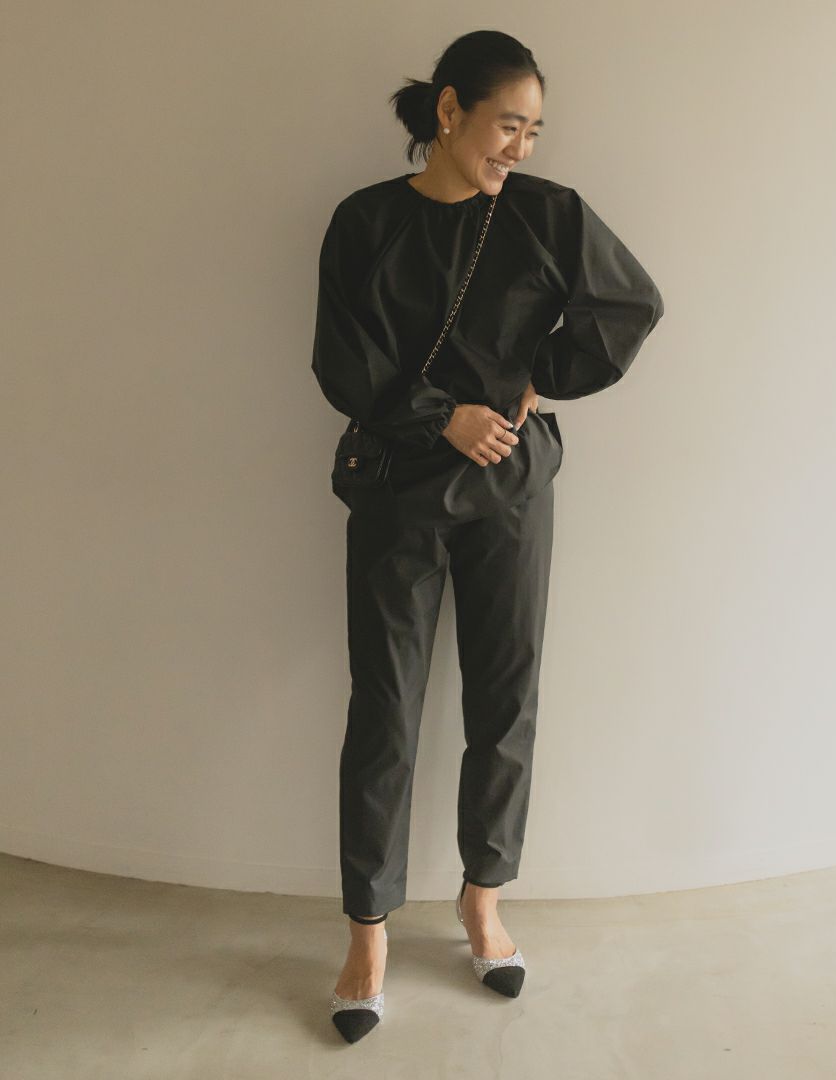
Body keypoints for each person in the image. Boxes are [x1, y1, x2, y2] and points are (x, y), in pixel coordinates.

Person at [311, 29, 665, 1042]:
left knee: (506, 699)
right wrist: (443, 418)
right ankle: (367, 930)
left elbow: (631, 304)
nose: (522, 146)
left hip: (511, 486)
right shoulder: (366, 221)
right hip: (398, 490)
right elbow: (342, 359)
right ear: (449, 111)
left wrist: (536, 381)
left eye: (534, 131)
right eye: (509, 123)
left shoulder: (549, 215)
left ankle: (483, 898)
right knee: (385, 707)